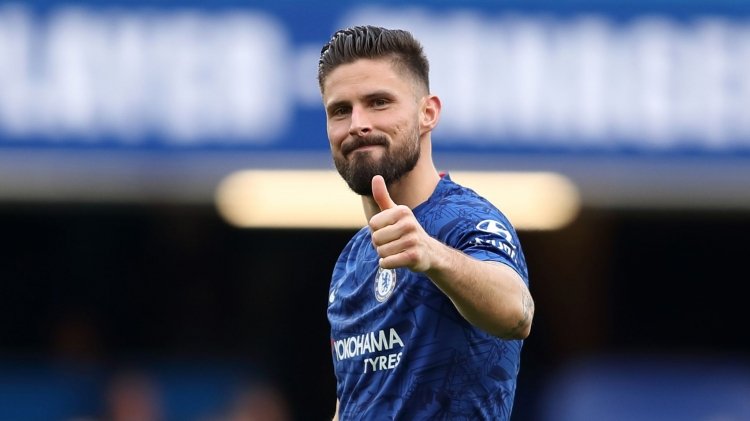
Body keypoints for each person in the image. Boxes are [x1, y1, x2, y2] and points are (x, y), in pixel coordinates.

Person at [318, 25, 535, 420]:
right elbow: (352, 404)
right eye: (340, 110)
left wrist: (433, 256)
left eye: (379, 102)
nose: (357, 124)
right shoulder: (350, 262)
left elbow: (517, 313)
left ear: (427, 113)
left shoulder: (467, 220)